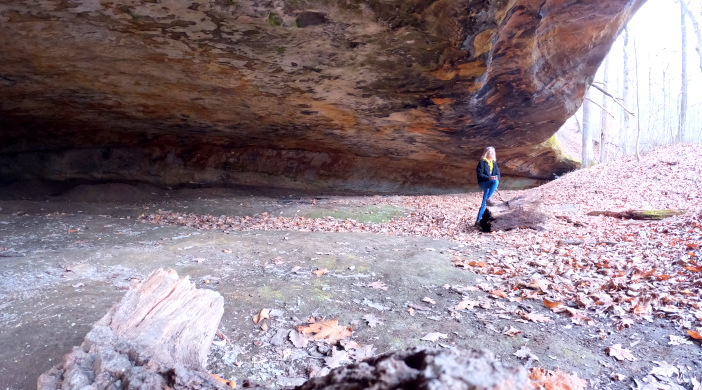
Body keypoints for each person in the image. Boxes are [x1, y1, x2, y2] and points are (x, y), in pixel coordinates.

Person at [475, 146, 500, 226]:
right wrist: (489, 178)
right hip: (483, 183)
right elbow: (479, 175)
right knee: (495, 182)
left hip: (490, 183)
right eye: (490, 152)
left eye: (493, 152)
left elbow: (498, 174)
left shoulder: (494, 163)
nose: (492, 153)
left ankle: (478, 221)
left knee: (484, 204)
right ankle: (489, 198)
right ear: (486, 153)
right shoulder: (482, 162)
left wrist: (495, 177)